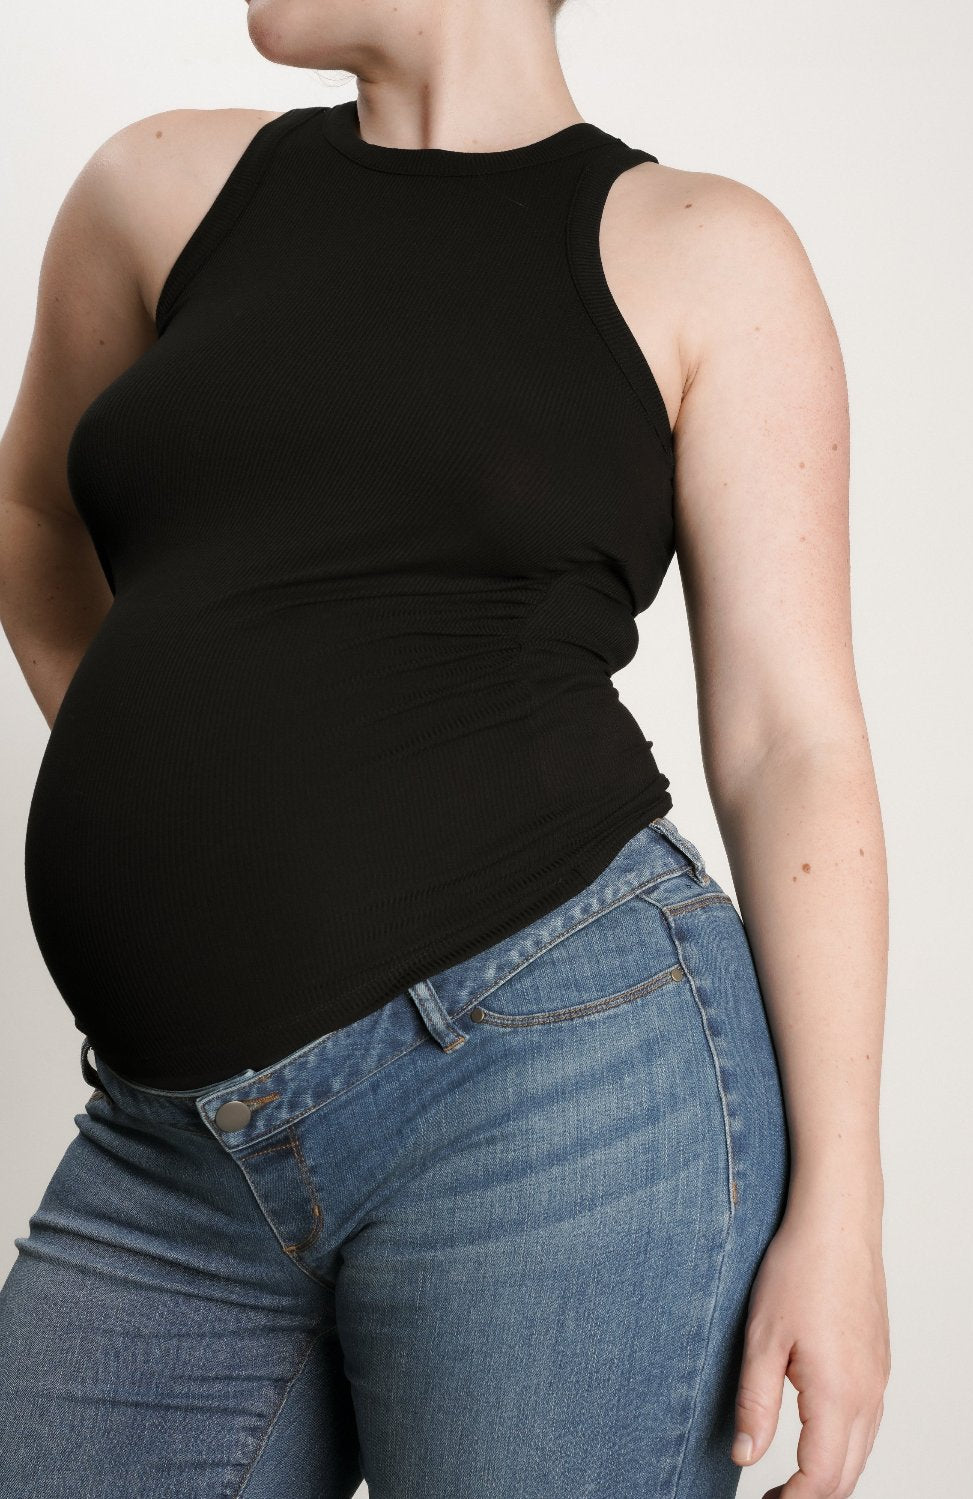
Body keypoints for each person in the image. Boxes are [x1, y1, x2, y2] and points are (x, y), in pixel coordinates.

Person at [0, 0, 890, 1494]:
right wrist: (192, 803)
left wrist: (843, 1209)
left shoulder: (704, 253)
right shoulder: (155, 191)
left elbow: (788, 741)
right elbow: (31, 513)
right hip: (172, 1145)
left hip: (557, 1086)